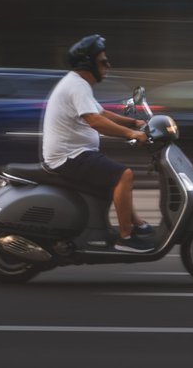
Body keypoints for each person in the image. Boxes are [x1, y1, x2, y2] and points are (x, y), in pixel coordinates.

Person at [42, 34, 154, 253]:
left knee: (115, 176)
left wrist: (134, 121)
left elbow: (100, 112)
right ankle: (125, 237)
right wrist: (132, 133)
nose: (108, 65)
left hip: (76, 153)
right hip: (69, 157)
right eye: (103, 61)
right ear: (88, 64)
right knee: (123, 175)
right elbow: (96, 121)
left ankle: (138, 224)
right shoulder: (77, 86)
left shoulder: (78, 84)